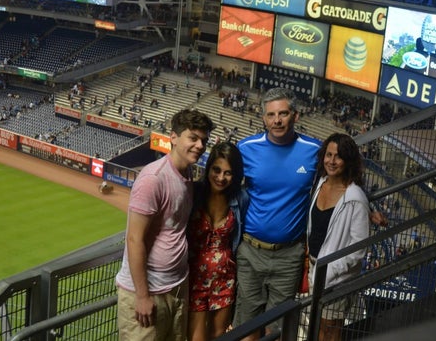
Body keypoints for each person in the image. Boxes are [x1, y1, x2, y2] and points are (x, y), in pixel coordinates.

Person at [115, 109, 214, 341]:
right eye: (193, 138)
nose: (200, 145)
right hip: (149, 292)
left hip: (177, 287)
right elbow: (134, 238)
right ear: (174, 137)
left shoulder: (188, 173)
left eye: (204, 140)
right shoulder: (153, 179)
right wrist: (142, 296)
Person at [233, 87, 322, 340]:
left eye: (283, 113)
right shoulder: (245, 148)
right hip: (250, 252)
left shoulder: (313, 150)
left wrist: (367, 205)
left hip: (289, 256)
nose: (277, 120)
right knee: (247, 327)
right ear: (263, 118)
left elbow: (342, 176)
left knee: (276, 330)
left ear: (295, 115)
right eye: (271, 115)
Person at [307, 133, 371, 341]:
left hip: (336, 277)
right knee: (317, 326)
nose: (331, 161)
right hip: (314, 268)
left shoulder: (355, 198)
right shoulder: (320, 183)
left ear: (348, 161)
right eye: (329, 154)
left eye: (338, 156)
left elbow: (359, 248)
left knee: (330, 329)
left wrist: (331, 270)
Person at [187, 142, 248, 341]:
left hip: (225, 276)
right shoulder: (194, 193)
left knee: (219, 336)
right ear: (209, 167)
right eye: (217, 170)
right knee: (196, 337)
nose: (221, 178)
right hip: (194, 276)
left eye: (228, 173)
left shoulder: (240, 199)